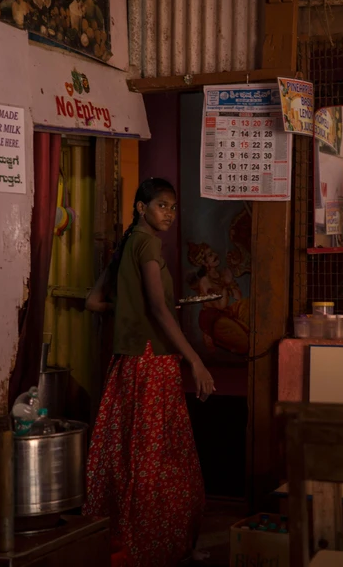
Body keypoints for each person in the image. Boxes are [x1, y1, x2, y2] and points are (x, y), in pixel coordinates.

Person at [82, 178, 215, 567]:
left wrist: (128, 309)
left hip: (127, 363)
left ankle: (131, 546)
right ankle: (157, 549)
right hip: (152, 363)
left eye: (173, 207)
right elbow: (159, 308)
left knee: (129, 457)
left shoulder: (125, 247)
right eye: (161, 205)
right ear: (141, 208)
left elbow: (93, 302)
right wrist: (195, 359)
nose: (169, 213)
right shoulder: (148, 244)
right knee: (160, 460)